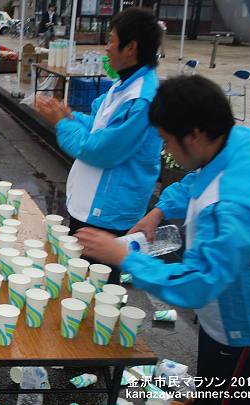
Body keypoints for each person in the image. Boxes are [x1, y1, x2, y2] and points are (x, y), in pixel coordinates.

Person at [76, 75, 250, 405]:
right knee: (212, 386)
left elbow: (198, 284)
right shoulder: (238, 140)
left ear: (194, 135)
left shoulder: (229, 208)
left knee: (229, 392)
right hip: (221, 311)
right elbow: (196, 180)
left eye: (166, 140)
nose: (165, 150)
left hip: (241, 326)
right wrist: (159, 210)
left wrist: (124, 258)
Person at [34, 8, 163, 284]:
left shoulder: (141, 99)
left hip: (107, 212)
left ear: (131, 47)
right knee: (79, 281)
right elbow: (99, 125)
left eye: (112, 40)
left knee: (96, 287)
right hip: (92, 203)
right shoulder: (124, 85)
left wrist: (62, 123)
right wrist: (70, 116)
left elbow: (102, 150)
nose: (106, 47)